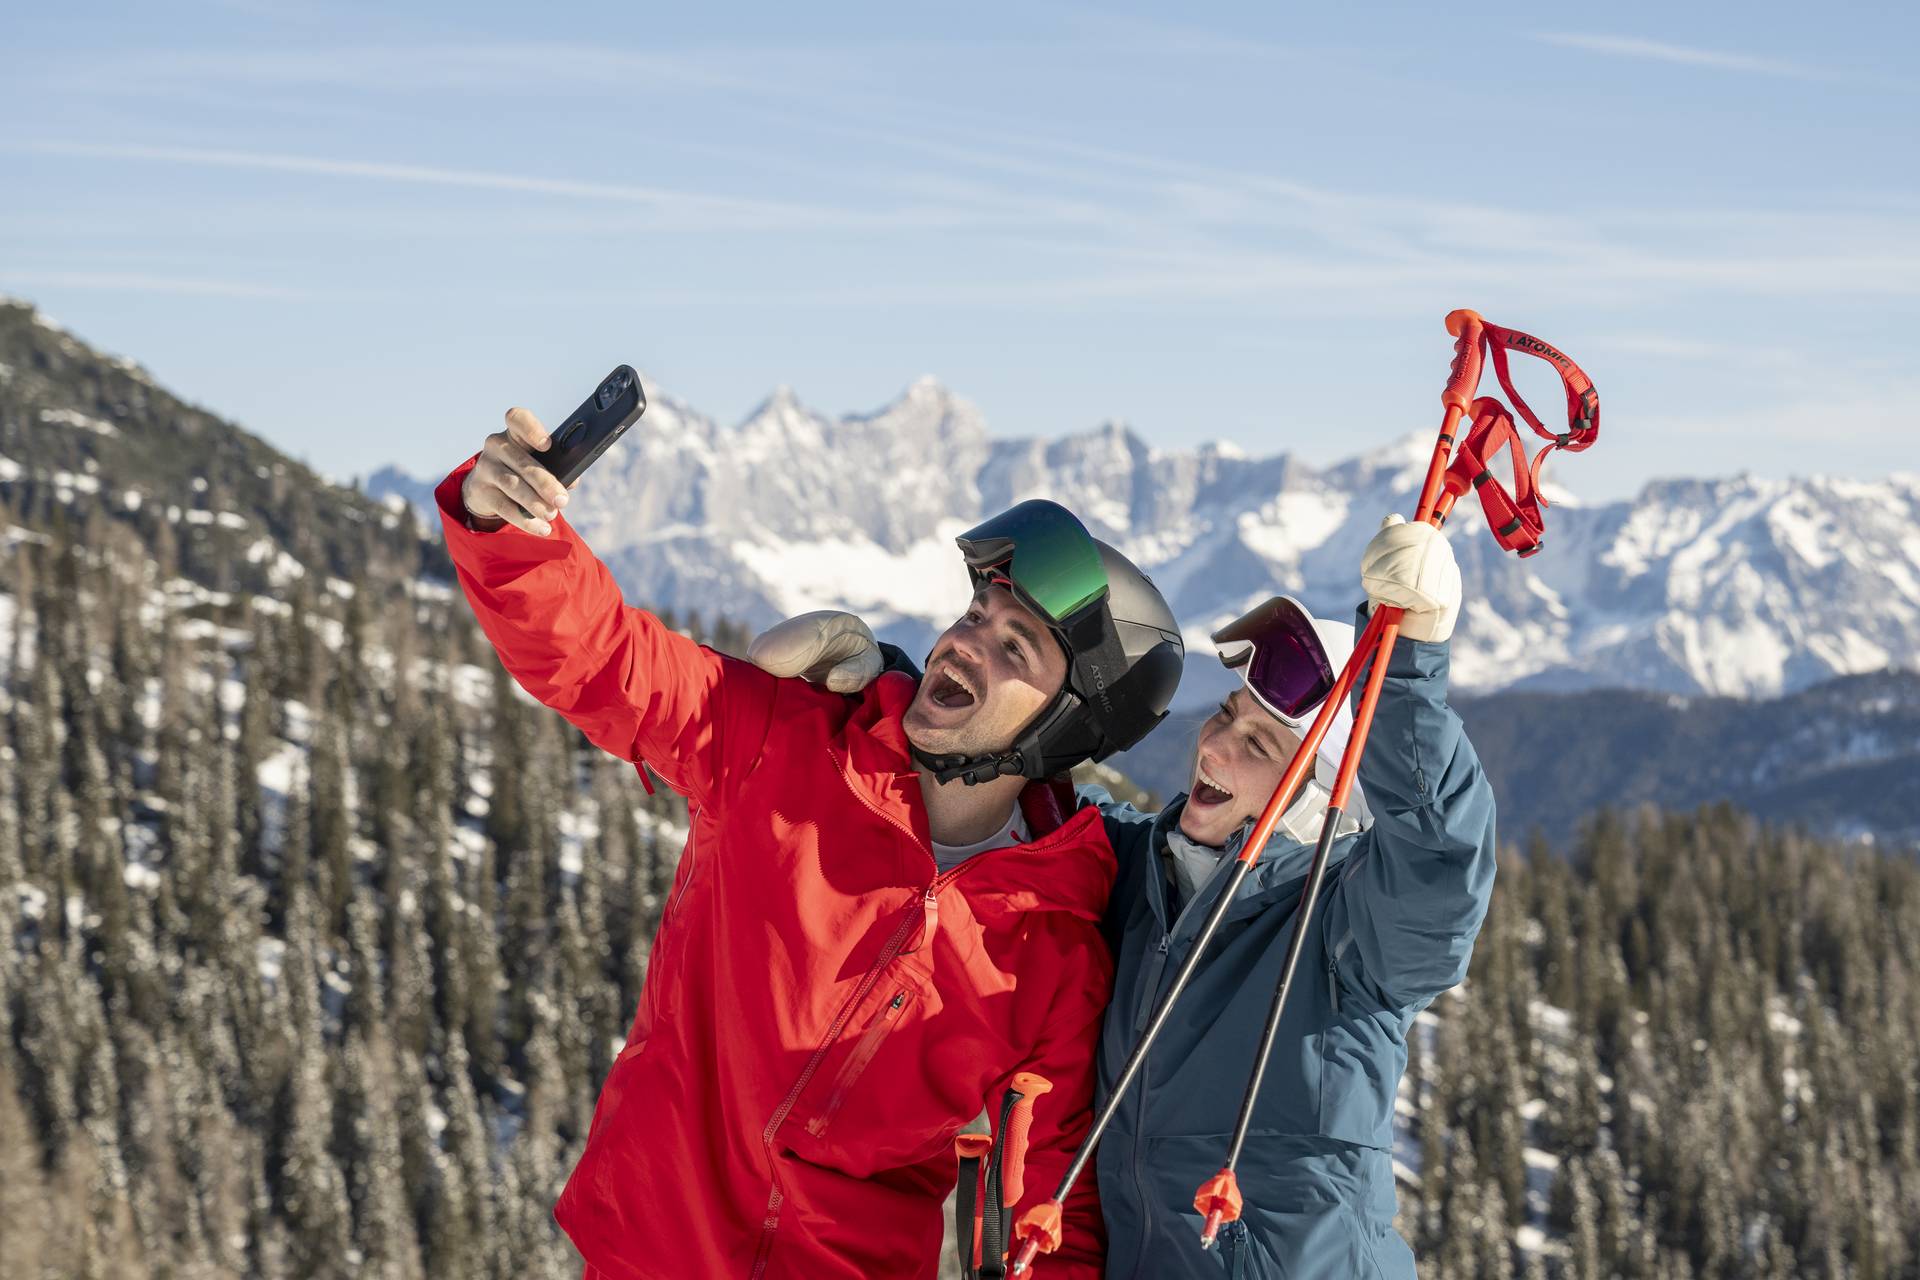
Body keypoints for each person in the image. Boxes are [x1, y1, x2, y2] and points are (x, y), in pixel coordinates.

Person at [436, 407, 1184, 1279]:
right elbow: (607, 661)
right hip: (650, 1254)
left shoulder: (1050, 950)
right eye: (976, 614)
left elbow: (1055, 1212)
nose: (964, 646)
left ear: (1067, 726)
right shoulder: (783, 743)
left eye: (1013, 647)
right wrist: (512, 532)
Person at [749, 513, 1496, 1278]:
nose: (1215, 746)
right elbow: (1012, 777)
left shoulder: (1346, 934)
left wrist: (1410, 673)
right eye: (1226, 715)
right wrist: (898, 690)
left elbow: (1440, 872)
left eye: (1258, 746)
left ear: (1318, 803)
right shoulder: (1137, 872)